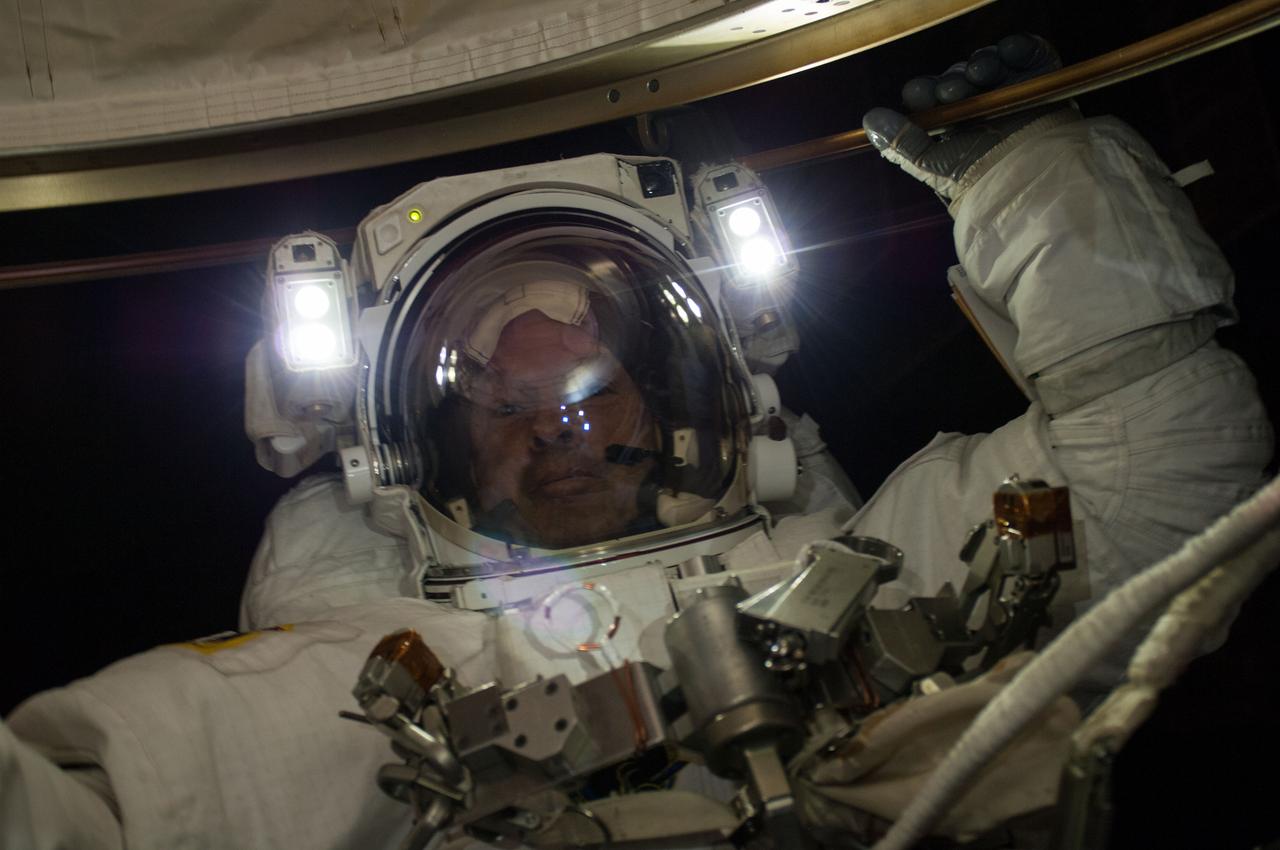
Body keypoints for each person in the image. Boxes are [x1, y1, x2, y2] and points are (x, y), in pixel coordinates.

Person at [1, 33, 1271, 850]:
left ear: (672, 400)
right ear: (420, 443)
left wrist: (1037, 179)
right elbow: (104, 799)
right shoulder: (374, 685)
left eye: (593, 389)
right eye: (498, 404)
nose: (555, 432)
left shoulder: (854, 568)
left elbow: (1159, 476)